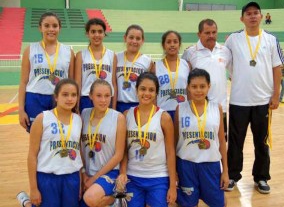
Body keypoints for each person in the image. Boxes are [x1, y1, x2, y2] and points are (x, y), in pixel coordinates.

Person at [225, 2, 284, 194]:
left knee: (262, 141)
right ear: (242, 18)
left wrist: (276, 95)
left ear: (261, 17)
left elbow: (278, 68)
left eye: (255, 13)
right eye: (248, 14)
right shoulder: (233, 39)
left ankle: (261, 177)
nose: (252, 16)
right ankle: (233, 175)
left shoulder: (270, 39)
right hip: (238, 101)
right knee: (235, 142)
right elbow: (222, 61)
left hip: (263, 102)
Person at [118, 72, 177, 207]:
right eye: (143, 89)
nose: (147, 93)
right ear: (136, 90)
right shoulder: (126, 115)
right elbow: (124, 150)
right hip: (133, 176)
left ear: (156, 93)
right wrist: (123, 172)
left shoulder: (164, 117)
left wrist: (172, 185)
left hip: (158, 177)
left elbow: (170, 152)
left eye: (151, 90)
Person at [175, 68, 229, 207]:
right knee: (188, 204)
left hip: (211, 165)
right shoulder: (180, 108)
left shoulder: (216, 108)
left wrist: (226, 171)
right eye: (194, 86)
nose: (198, 90)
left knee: (220, 203)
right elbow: (175, 141)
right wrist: (174, 170)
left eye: (202, 86)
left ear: (209, 86)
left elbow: (222, 141)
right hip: (186, 165)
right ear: (188, 87)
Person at [27, 79, 83, 207]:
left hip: (71, 177)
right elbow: (32, 155)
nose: (69, 98)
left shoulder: (78, 120)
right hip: (47, 178)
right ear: (56, 97)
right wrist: (33, 188)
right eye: (65, 94)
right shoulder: (42, 118)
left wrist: (79, 181)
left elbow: (78, 152)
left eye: (73, 95)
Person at [18, 12, 75, 132]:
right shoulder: (30, 50)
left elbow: (72, 81)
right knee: (37, 138)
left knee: (58, 137)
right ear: (40, 28)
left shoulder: (68, 51)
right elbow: (23, 82)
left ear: (59, 28)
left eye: (54, 26)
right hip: (35, 97)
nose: (51, 29)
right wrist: (21, 109)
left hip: (59, 99)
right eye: (47, 25)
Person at [80, 79, 126, 207]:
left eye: (107, 96)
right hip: (88, 172)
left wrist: (94, 179)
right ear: (90, 96)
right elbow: (80, 147)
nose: (103, 100)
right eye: (99, 96)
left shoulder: (118, 118)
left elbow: (118, 155)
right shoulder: (84, 114)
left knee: (90, 198)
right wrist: (83, 174)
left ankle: (116, 198)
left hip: (108, 172)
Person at [182, 19, 230, 140]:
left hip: (220, 108)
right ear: (199, 34)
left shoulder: (225, 51)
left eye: (214, 32)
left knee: (220, 144)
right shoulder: (189, 53)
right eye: (207, 33)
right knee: (197, 143)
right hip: (197, 108)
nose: (211, 36)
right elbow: (184, 81)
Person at [75, 18, 117, 112]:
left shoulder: (112, 55)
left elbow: (113, 83)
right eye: (93, 31)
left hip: (105, 99)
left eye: (100, 31)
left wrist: (113, 107)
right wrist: (76, 107)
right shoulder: (81, 55)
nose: (96, 35)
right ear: (87, 34)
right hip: (86, 99)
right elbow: (78, 83)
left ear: (104, 34)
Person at [152, 30, 189, 121]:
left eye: (175, 42)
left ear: (179, 44)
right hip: (162, 112)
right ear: (163, 45)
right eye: (168, 42)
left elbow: (190, 91)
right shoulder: (156, 66)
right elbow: (153, 93)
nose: (172, 44)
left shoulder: (187, 65)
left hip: (183, 111)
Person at [116, 25, 153, 113]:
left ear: (142, 41)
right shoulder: (116, 57)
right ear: (125, 38)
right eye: (131, 37)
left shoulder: (147, 61)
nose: (134, 41)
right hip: (119, 104)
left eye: (138, 38)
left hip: (138, 104)